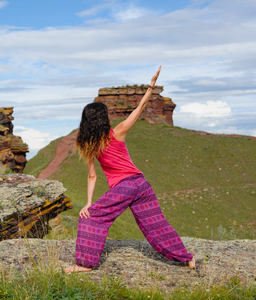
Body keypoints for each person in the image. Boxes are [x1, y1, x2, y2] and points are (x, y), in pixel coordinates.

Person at [64, 66, 195, 273]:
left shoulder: (89, 145)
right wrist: (150, 87)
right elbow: (139, 109)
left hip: (125, 186)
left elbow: (92, 176)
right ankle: (187, 259)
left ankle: (84, 264)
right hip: (141, 184)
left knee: (92, 217)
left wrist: (89, 205)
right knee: (156, 225)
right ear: (104, 119)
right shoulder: (118, 132)